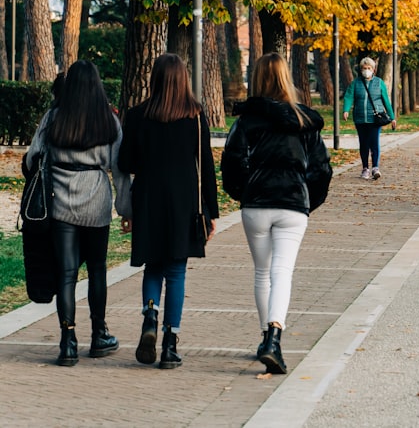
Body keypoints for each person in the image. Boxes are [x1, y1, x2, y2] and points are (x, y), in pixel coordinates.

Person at [221, 53, 332, 375]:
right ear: (287, 79)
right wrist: (309, 200)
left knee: (262, 272)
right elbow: (322, 168)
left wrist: (244, 193)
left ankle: (264, 337)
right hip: (292, 202)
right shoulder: (303, 121)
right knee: (282, 270)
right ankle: (274, 335)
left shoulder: (246, 121)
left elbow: (231, 161)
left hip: (256, 202)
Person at [24, 61, 130, 366]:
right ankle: (99, 334)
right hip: (96, 201)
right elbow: (120, 170)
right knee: (97, 269)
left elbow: (33, 157)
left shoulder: (54, 117)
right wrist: (126, 209)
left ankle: (67, 340)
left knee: (67, 273)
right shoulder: (109, 121)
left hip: (60, 202)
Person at [119, 53, 219, 370]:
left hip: (148, 198)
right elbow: (205, 167)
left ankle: (150, 313)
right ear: (183, 79)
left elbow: (126, 163)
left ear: (155, 79)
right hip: (183, 202)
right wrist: (211, 212)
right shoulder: (195, 116)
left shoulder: (137, 116)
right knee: (176, 272)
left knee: (153, 266)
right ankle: (170, 344)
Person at [343, 56, 396, 180]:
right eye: (364, 68)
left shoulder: (379, 83)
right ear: (360, 70)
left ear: (373, 69)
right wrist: (346, 110)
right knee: (364, 144)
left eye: (369, 68)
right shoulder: (356, 83)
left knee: (374, 143)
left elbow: (386, 101)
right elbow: (349, 96)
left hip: (375, 118)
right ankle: (365, 168)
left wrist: (392, 117)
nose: (366, 70)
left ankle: (375, 167)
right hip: (360, 118)